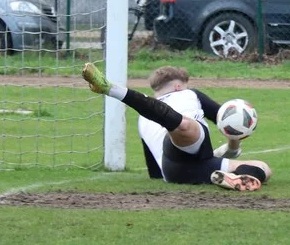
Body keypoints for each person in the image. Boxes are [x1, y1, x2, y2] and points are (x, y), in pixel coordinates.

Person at [81, 62, 273, 191]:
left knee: (263, 168)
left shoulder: (142, 120)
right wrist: (233, 147)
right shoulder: (191, 94)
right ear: (179, 86)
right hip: (186, 145)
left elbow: (155, 174)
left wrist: (227, 151)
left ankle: (230, 179)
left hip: (177, 172)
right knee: (184, 125)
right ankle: (110, 88)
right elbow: (226, 120)